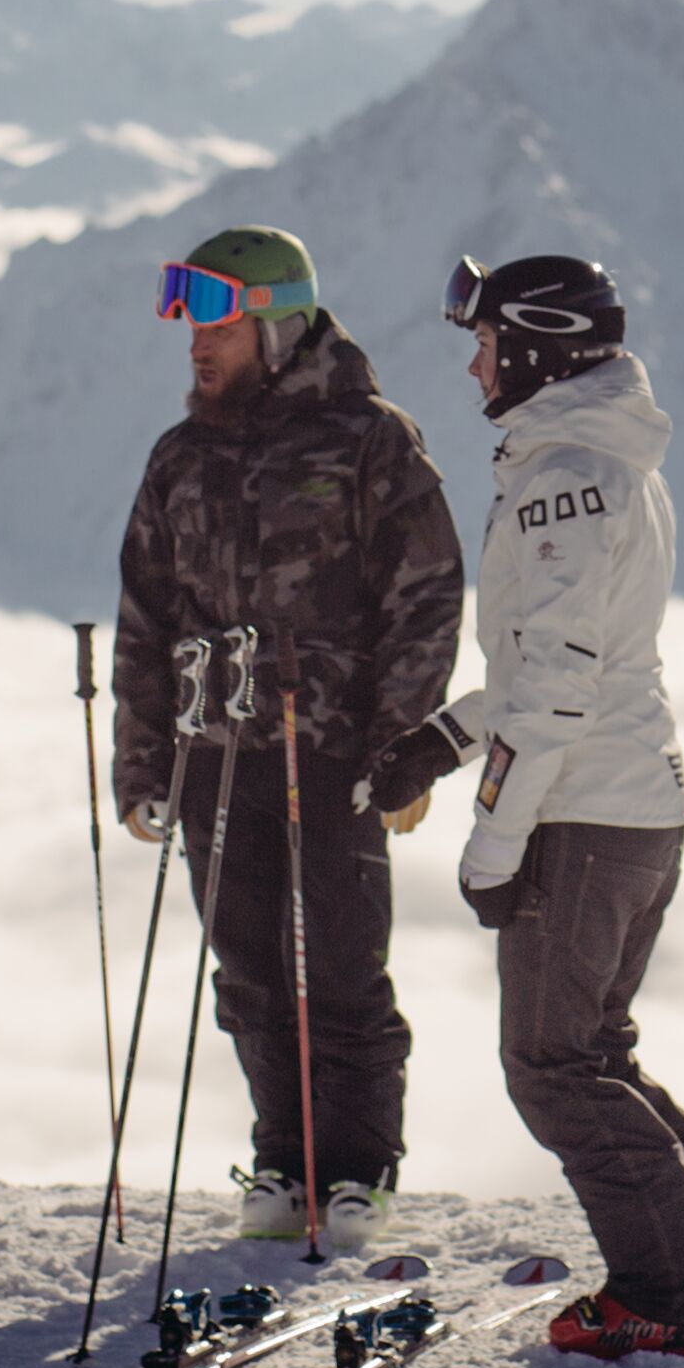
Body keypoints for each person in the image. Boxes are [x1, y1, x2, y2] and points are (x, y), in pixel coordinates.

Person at [107, 223, 466, 1252]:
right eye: (183, 311)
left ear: (278, 321)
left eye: (212, 313)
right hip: (212, 747)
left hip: (335, 751)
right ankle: (283, 1156)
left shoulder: (367, 439)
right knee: (249, 967)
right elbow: (145, 615)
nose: (191, 337)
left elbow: (427, 592)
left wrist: (402, 745)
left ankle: (359, 1169)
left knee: (342, 966)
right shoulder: (179, 456)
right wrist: (141, 763)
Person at [440, 252, 684, 1360]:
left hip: (582, 817)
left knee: (554, 1066)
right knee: (597, 1055)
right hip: (637, 807)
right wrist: (448, 731)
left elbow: (561, 679)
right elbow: (564, 659)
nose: (472, 361)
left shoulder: (562, 473)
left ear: (534, 343)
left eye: (484, 340)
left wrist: (493, 844)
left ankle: (665, 1298)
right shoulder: (607, 463)